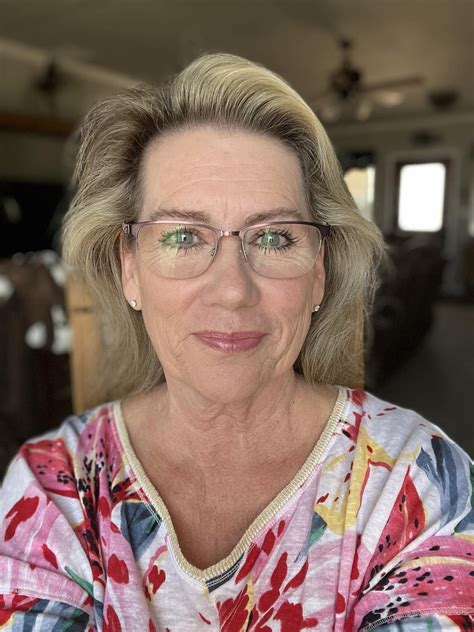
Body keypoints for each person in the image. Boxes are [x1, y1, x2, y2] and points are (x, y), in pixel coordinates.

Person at [0, 53, 472, 631]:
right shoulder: (53, 489)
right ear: (129, 270)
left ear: (318, 272)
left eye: (274, 237)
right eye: (182, 236)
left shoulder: (420, 485)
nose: (231, 291)